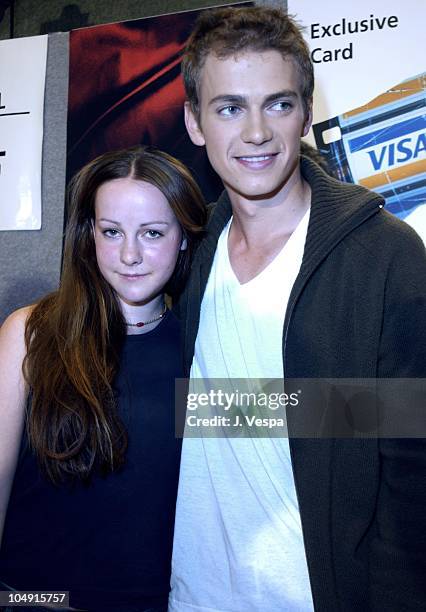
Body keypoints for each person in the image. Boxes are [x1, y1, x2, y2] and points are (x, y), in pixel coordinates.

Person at [169, 6, 426, 612]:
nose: (255, 132)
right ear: (194, 122)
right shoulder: (187, 253)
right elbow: (205, 414)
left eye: (278, 104)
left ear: (306, 114)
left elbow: (411, 468)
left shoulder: (385, 254)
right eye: (229, 107)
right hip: (192, 593)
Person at [0, 146, 206, 612]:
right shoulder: (30, 335)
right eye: (112, 232)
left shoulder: (203, 354)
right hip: (35, 601)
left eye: (152, 233)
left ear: (184, 238)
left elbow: (333, 423)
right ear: (89, 234)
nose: (129, 254)